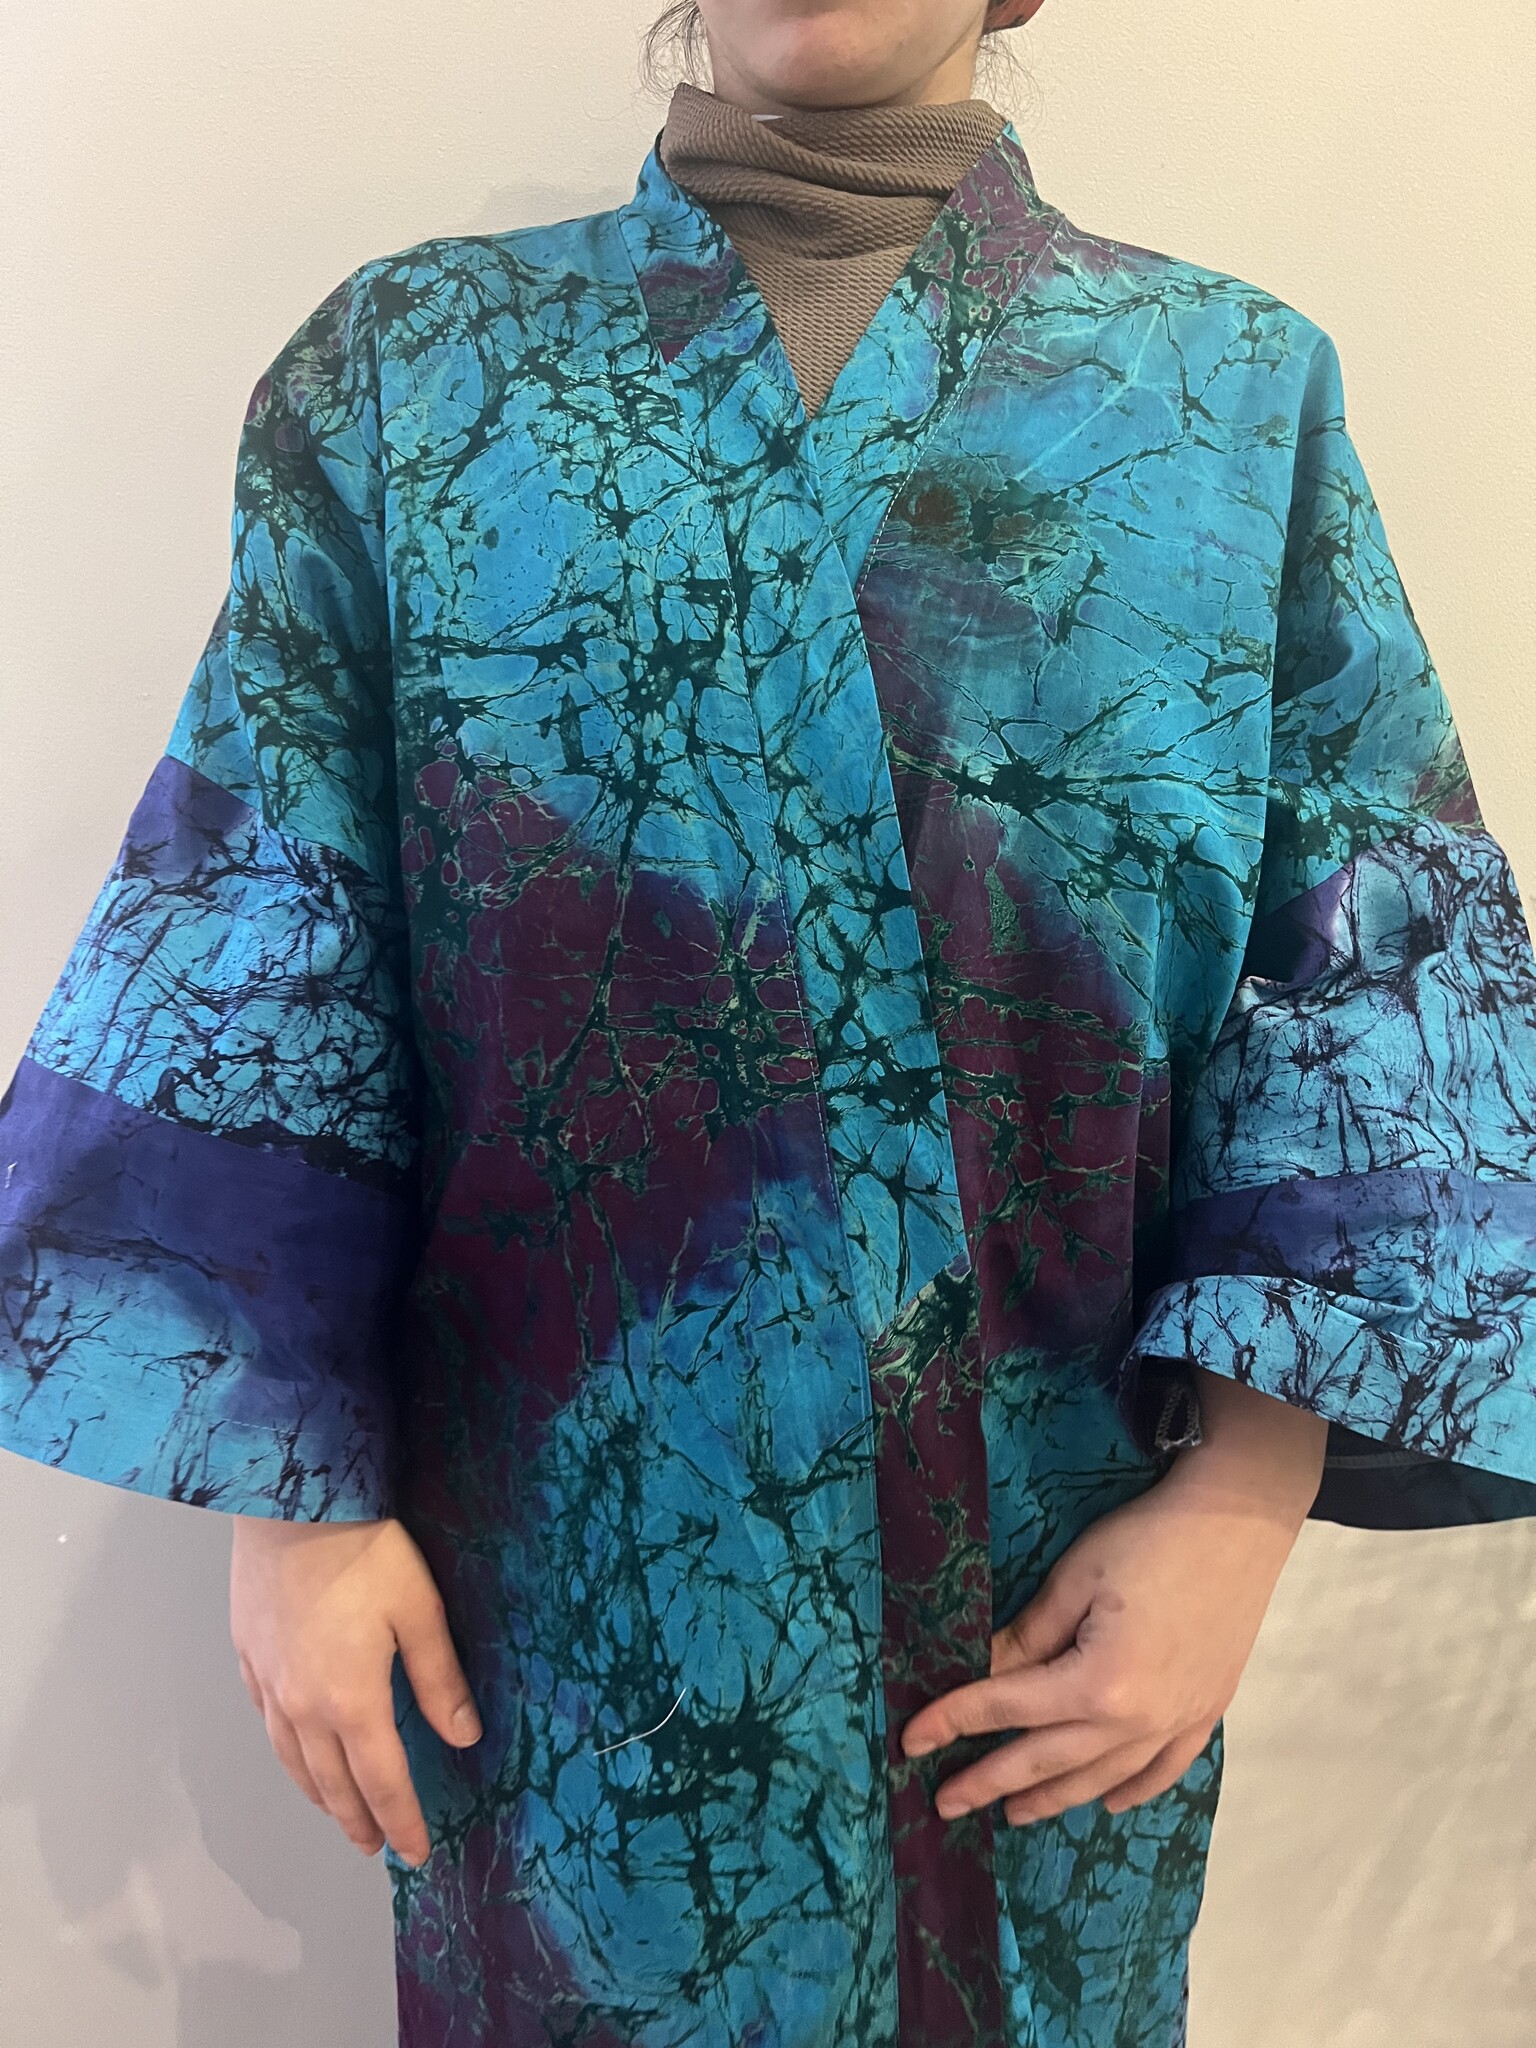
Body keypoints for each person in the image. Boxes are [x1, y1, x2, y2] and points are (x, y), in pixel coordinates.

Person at [2, 2, 1534, 2042]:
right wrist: (298, 1509)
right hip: (555, 1617)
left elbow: (1369, 985)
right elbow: (270, 938)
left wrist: (1241, 1504)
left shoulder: (1232, 399)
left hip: (1051, 1607)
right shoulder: (410, 377)